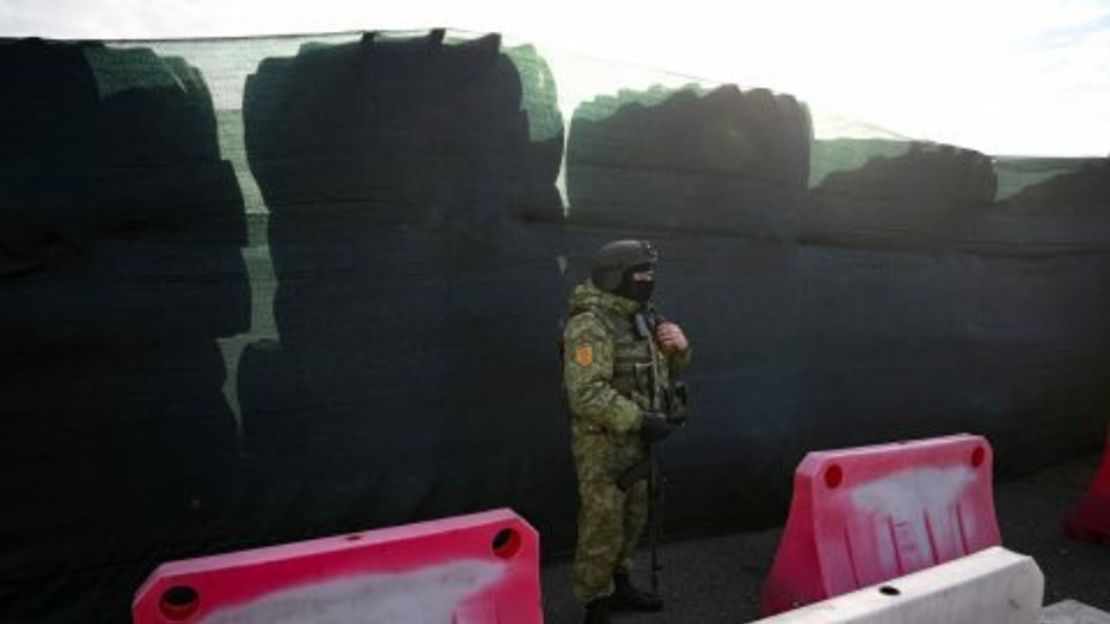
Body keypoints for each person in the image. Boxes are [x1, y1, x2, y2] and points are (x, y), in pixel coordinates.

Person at [562, 239, 692, 624]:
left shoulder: (645, 316)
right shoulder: (590, 323)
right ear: (615, 276)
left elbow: (664, 371)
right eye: (640, 273)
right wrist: (638, 419)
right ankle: (594, 602)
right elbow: (585, 393)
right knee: (602, 522)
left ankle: (620, 584)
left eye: (651, 273)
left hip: (640, 441)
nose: (648, 280)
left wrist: (680, 349)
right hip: (604, 445)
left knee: (634, 517)